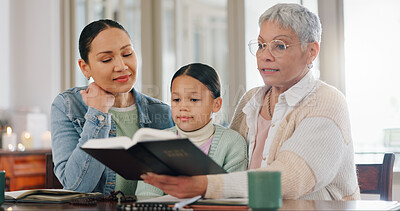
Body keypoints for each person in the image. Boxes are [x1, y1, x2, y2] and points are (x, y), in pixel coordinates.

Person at [142, 3, 361, 200]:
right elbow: (230, 160)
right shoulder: (252, 99)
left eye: (280, 46)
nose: (264, 55)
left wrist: (204, 185)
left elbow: (291, 179)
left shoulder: (327, 101)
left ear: (311, 52)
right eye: (261, 45)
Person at [50, 19, 174, 195]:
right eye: (107, 59)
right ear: (85, 68)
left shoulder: (161, 111)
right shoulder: (68, 105)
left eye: (127, 54)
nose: (122, 66)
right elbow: (76, 188)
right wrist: (98, 113)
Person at [135, 63, 248, 196]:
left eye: (194, 99)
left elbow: (234, 194)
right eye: (176, 99)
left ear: (216, 104)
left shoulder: (232, 142)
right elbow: (146, 195)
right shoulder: (156, 142)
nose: (183, 107)